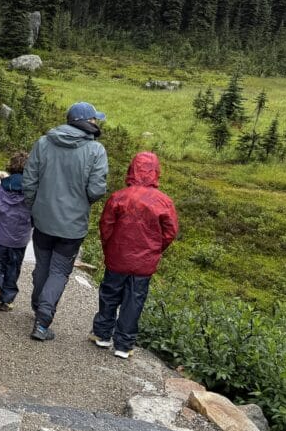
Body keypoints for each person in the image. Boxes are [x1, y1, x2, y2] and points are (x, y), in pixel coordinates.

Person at [23, 102, 108, 341]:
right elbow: (97, 189)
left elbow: (29, 180)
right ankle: (42, 321)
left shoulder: (44, 143)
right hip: (72, 225)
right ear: (87, 122)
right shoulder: (96, 151)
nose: (97, 123)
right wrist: (83, 203)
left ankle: (38, 305)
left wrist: (34, 206)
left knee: (42, 265)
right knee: (59, 271)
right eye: (95, 119)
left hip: (42, 219)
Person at [90, 151, 178, 359]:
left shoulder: (119, 197)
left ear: (133, 169)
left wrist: (109, 248)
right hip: (144, 262)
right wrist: (155, 249)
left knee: (109, 295)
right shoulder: (164, 202)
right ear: (156, 172)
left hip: (118, 256)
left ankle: (102, 334)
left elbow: (106, 226)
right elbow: (170, 233)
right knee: (134, 300)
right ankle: (124, 345)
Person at [0, 152, 32, 311]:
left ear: (10, 168)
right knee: (13, 267)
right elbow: (37, 212)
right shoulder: (32, 192)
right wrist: (31, 225)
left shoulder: (0, 188)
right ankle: (7, 300)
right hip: (20, 240)